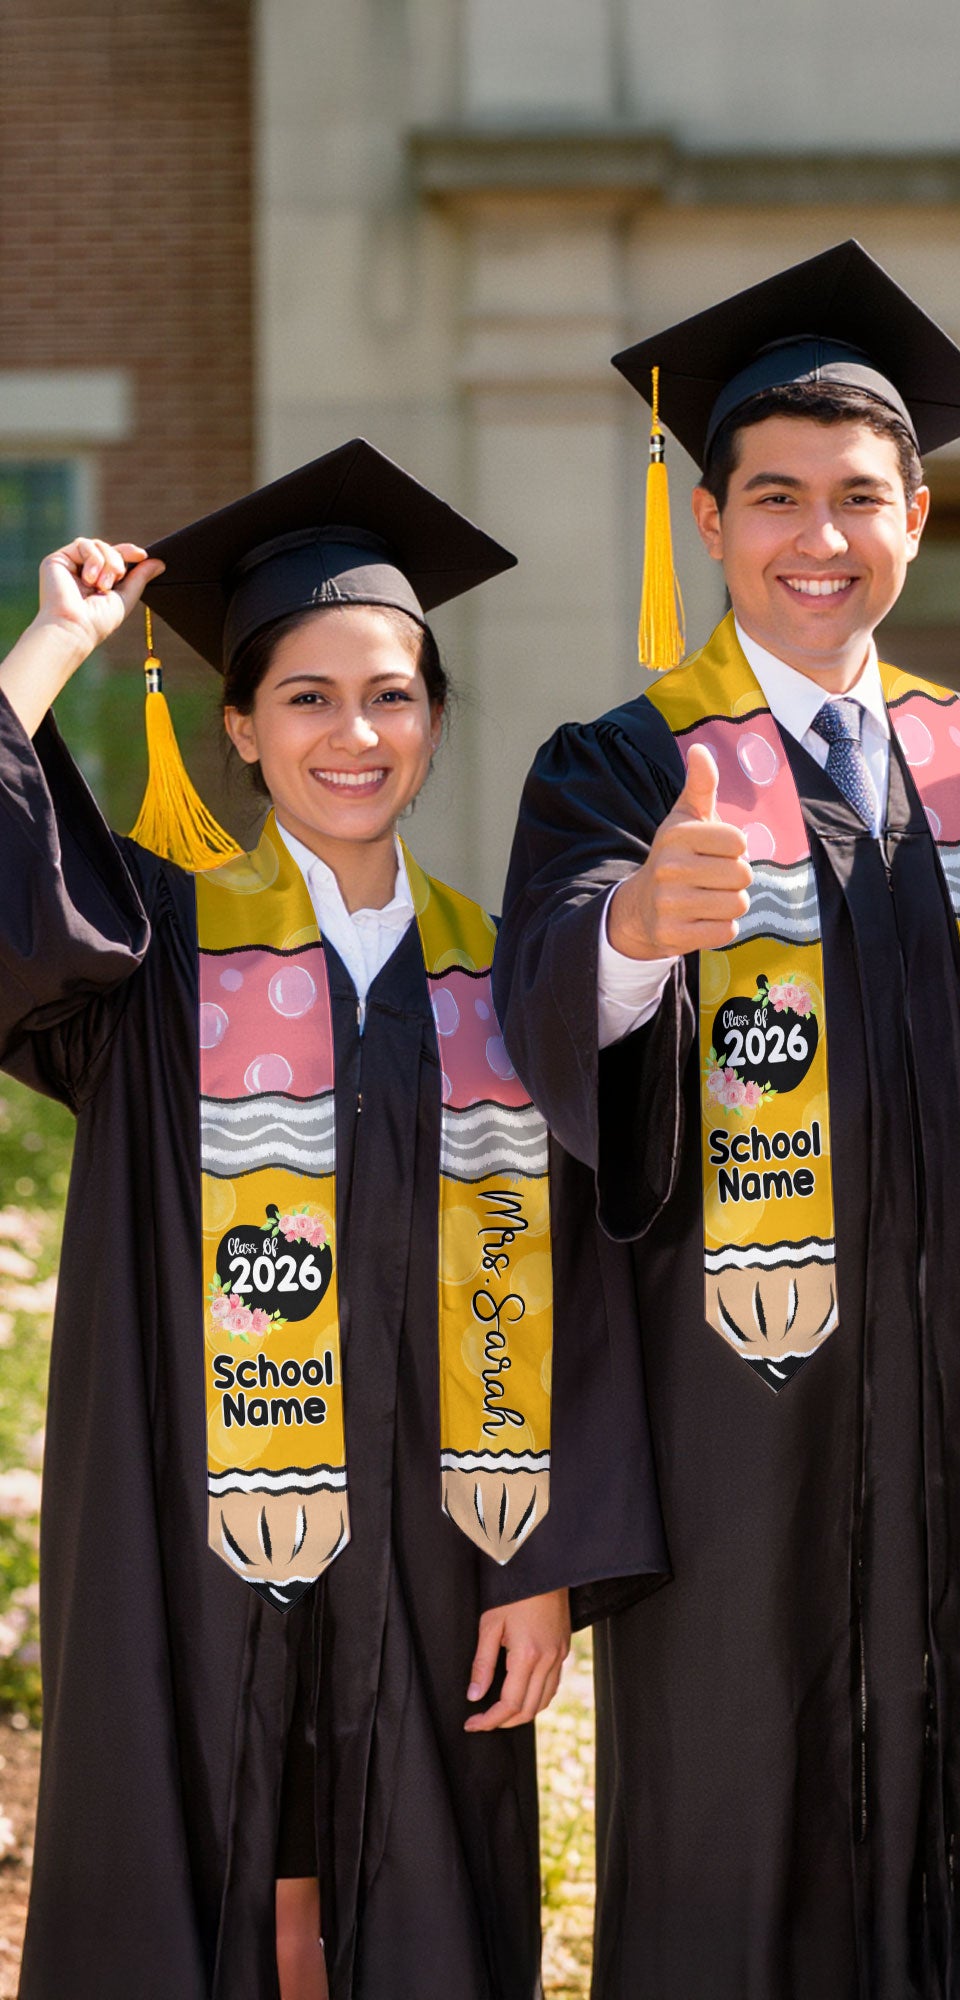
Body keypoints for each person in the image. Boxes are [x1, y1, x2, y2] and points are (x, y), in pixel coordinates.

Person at [495, 241, 960, 1999]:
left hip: (953, 1402)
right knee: (734, 1837)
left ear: (917, 515)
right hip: (730, 1417)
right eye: (775, 498)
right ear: (710, 522)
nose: (818, 537)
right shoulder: (621, 765)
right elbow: (542, 1000)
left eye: (860, 498)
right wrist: (632, 931)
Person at [0, 440, 664, 2000]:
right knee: (208, 1871)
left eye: (391, 694)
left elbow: (588, 1284)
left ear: (434, 719)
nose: (352, 733)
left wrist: (545, 1561)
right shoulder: (153, 954)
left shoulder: (508, 978)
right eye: (305, 696)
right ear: (238, 726)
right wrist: (53, 646)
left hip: (444, 1551)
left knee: (419, 1898)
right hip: (195, 1529)